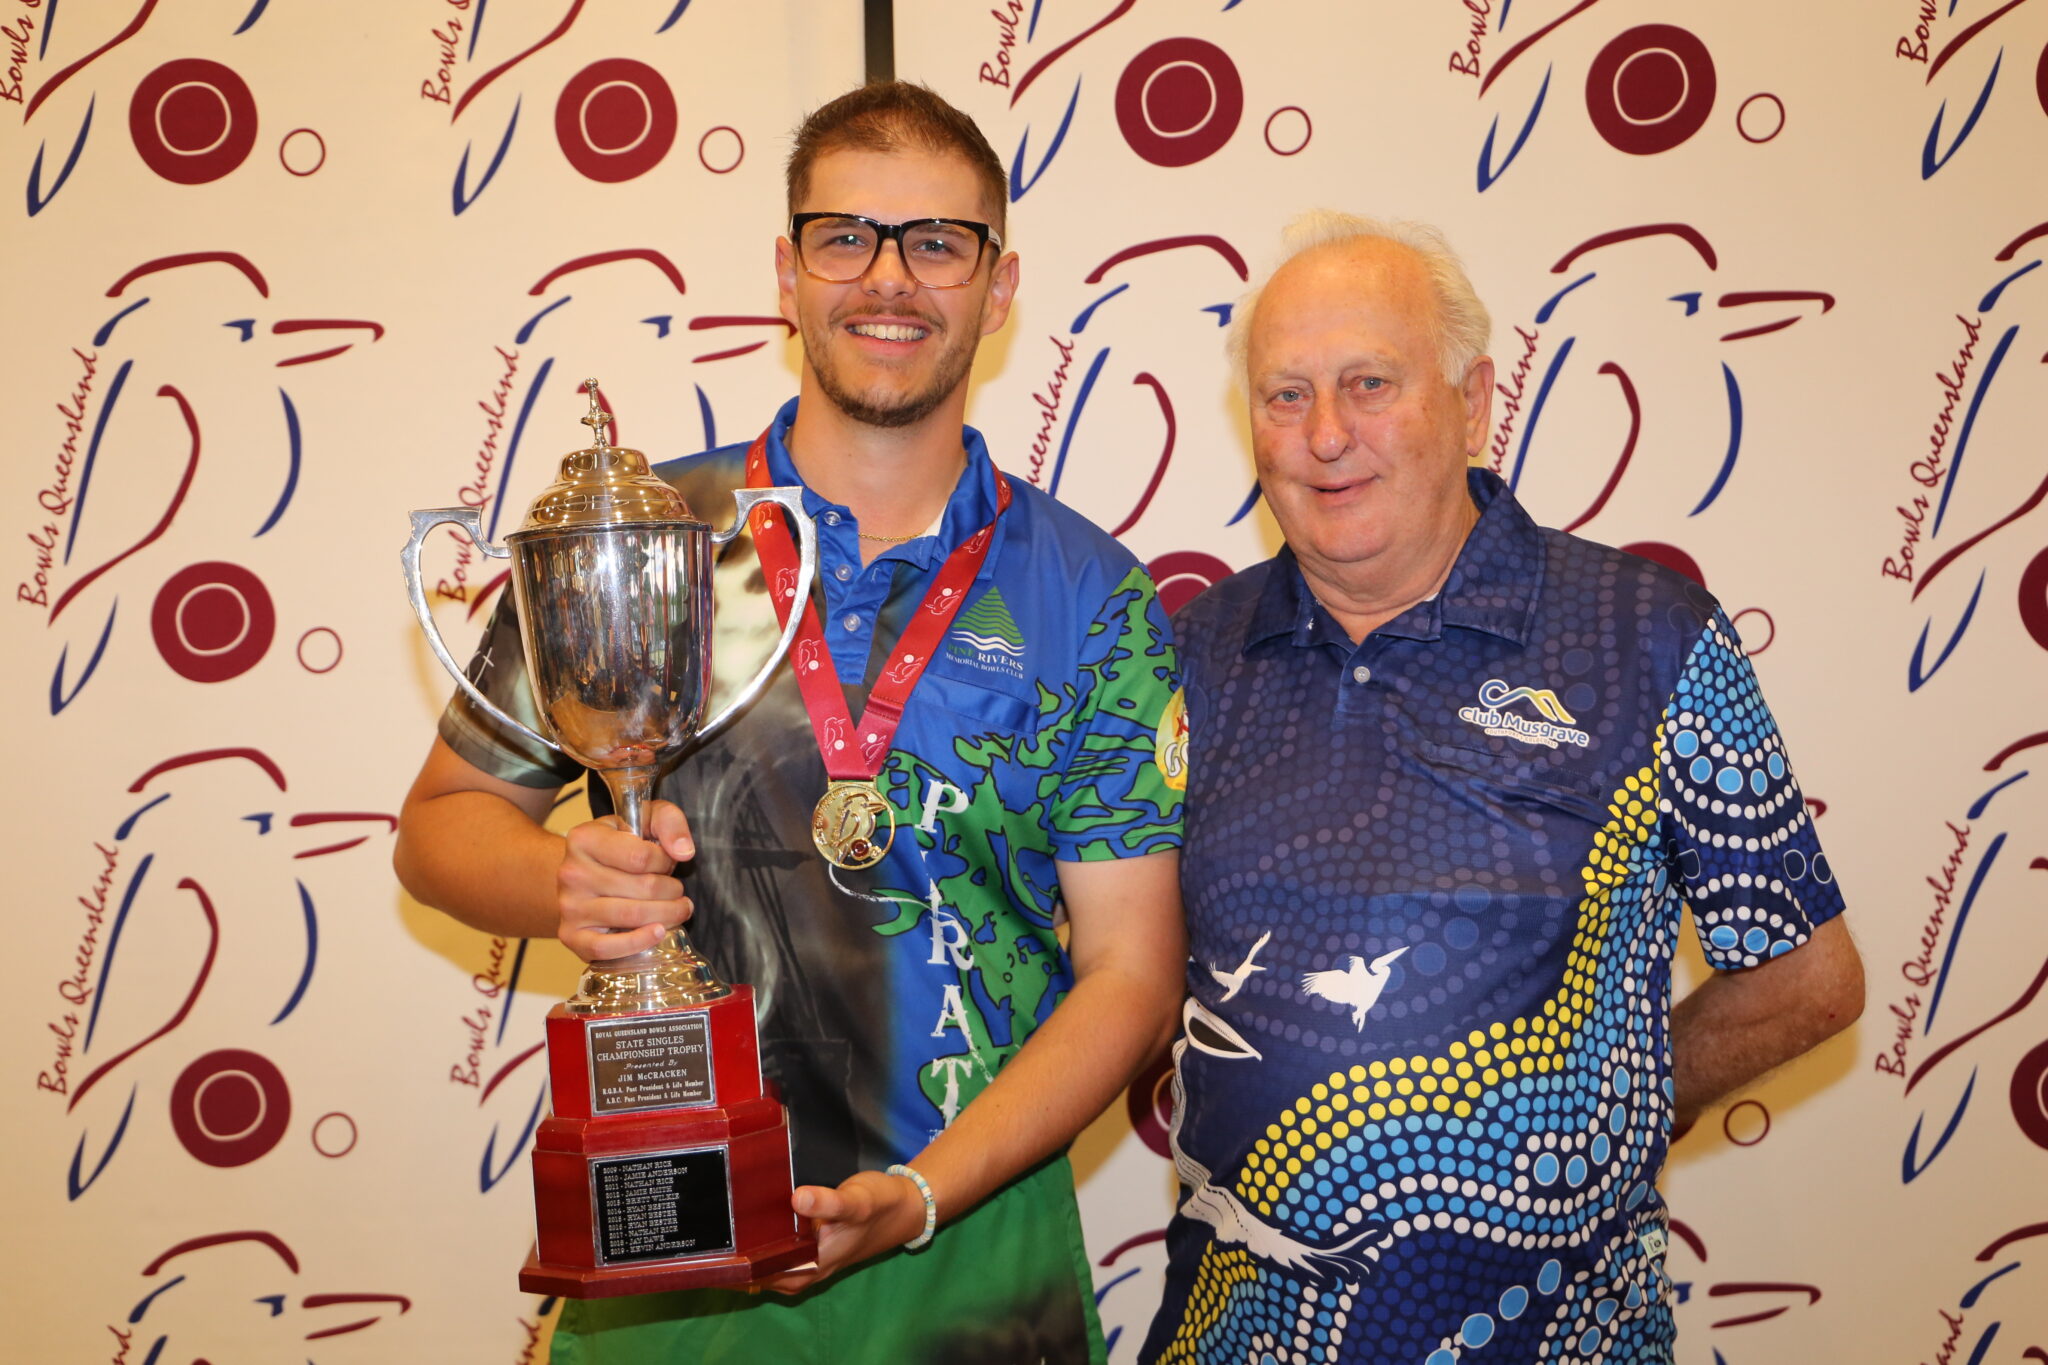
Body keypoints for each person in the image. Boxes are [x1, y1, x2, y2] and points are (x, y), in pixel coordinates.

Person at [395, 82, 1187, 1365]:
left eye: (937, 241)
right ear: (786, 270)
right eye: (844, 237)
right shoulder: (643, 537)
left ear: (998, 286)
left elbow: (1132, 977)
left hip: (979, 1272)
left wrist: (919, 1195)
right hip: (672, 1275)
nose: (889, 279)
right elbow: (440, 830)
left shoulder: (1092, 597)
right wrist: (564, 883)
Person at [1139, 213, 1863, 1364]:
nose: (1325, 435)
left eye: (1368, 383)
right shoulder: (1182, 656)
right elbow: (1112, 970)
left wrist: (1587, 1108)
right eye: (1285, 397)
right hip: (1232, 1339)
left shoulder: (1645, 638)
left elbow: (1805, 977)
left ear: (1472, 401)